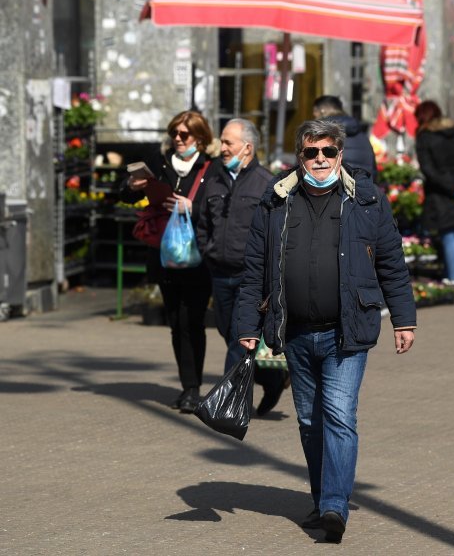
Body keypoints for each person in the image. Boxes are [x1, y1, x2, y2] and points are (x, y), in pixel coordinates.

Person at [236, 119, 417, 543]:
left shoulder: (366, 199)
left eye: (328, 152)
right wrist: (247, 324)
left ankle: (335, 506)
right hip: (295, 331)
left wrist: (404, 319)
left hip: (346, 331)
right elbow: (254, 271)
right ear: (299, 157)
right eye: (311, 152)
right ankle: (322, 501)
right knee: (307, 420)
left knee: (338, 415)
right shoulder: (276, 200)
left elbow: (391, 262)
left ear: (340, 155)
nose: (320, 160)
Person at [121, 110, 218, 413]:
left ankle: (194, 388)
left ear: (200, 138)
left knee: (193, 321)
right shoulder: (161, 164)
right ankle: (187, 385)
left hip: (198, 255)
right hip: (165, 254)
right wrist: (133, 187)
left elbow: (221, 207)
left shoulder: (211, 168)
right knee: (176, 322)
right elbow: (122, 197)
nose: (177, 139)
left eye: (184, 134)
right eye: (174, 133)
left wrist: (193, 206)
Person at [195, 118, 288, 416]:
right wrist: (207, 250)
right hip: (219, 273)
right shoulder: (214, 179)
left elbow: (277, 233)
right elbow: (202, 222)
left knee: (239, 337)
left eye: (227, 142)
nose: (221, 148)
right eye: (222, 142)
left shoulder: (266, 183)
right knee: (228, 333)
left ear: (246, 147)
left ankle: (233, 406)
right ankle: (272, 378)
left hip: (251, 278)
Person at [414, 100, 454, 289]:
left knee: (448, 236)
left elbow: (429, 170)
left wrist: (452, 188)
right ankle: (452, 276)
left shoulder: (425, 137)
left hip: (441, 194)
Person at [312, 95, 378, 181]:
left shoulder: (319, 135)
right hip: (363, 190)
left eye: (314, 112)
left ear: (322, 110)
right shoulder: (362, 135)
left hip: (333, 192)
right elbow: (373, 170)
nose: (314, 115)